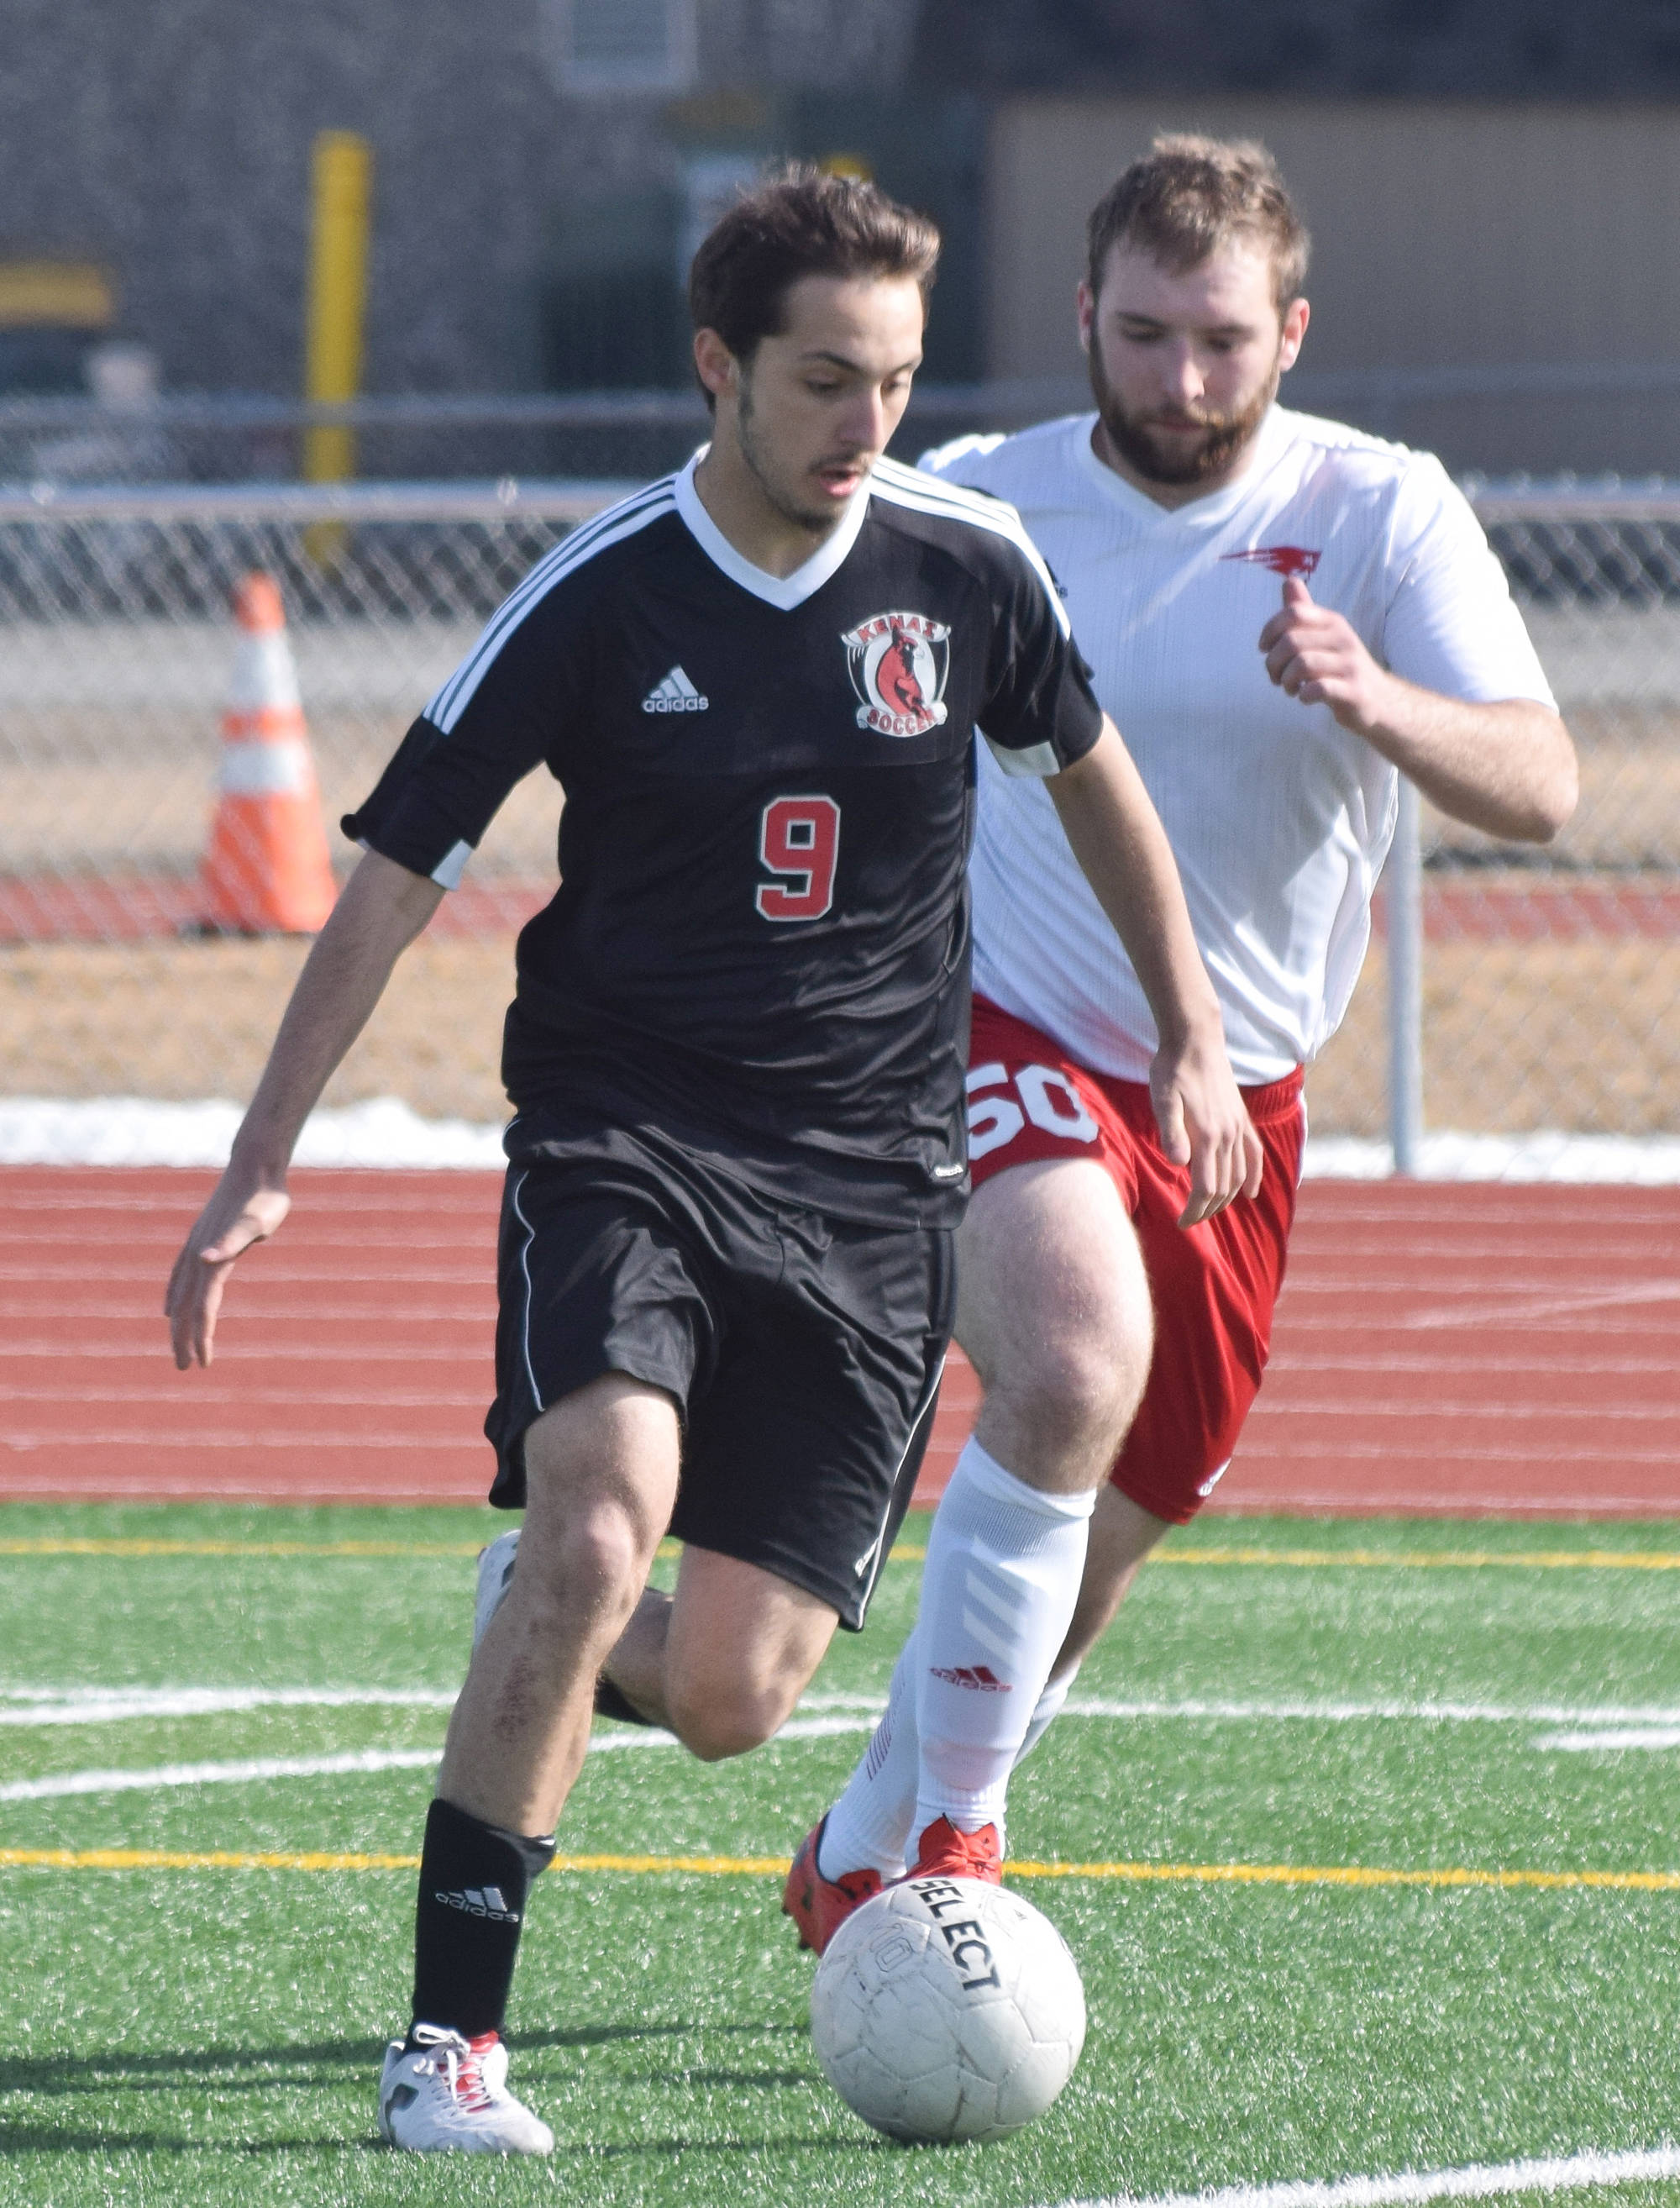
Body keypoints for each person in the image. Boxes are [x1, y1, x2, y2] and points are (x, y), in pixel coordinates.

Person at [164, 166, 1253, 2154]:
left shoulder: (966, 567)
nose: (867, 426)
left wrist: (1188, 1029)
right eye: (826, 380)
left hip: (870, 1189)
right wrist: (259, 1160)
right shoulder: (598, 594)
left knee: (743, 1694)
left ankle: (548, 1611)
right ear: (716, 369)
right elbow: (392, 878)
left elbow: (1097, 784)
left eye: (899, 382)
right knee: (603, 1521)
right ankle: (446, 2051)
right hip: (628, 1141)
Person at [793, 134, 1578, 1948]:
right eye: (1141, 335)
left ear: (1290, 332)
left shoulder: (1382, 513)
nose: (1179, 381)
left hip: (1243, 1096)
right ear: (1083, 317)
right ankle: (954, 1849)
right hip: (999, 1028)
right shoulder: (975, 504)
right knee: (1068, 1373)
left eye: (1220, 339)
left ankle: (873, 1825)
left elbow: (1539, 784)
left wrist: (1376, 698)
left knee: (1119, 1513)